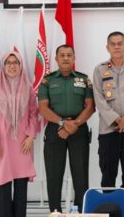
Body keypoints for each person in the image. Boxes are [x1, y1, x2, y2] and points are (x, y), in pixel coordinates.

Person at [38, 44, 95, 213]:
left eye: (69, 55)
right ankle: (55, 213)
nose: (65, 58)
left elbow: (90, 107)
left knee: (81, 177)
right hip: (55, 131)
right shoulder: (48, 80)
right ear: (56, 59)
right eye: (62, 55)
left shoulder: (84, 80)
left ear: (74, 58)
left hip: (79, 131)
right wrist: (63, 124)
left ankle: (78, 212)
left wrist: (73, 125)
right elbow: (43, 108)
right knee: (54, 177)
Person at [92, 31, 124, 202]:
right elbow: (98, 98)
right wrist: (117, 119)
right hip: (108, 130)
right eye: (113, 44)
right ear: (107, 47)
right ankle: (108, 209)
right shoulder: (99, 69)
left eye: (119, 43)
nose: (116, 46)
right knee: (108, 173)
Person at [0, 52, 40, 217]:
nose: (12, 65)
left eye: (15, 62)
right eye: (8, 62)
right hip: (2, 143)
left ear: (21, 65)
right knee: (3, 183)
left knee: (20, 184)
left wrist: (31, 136)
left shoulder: (28, 87)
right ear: (3, 66)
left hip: (22, 142)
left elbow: (34, 113)